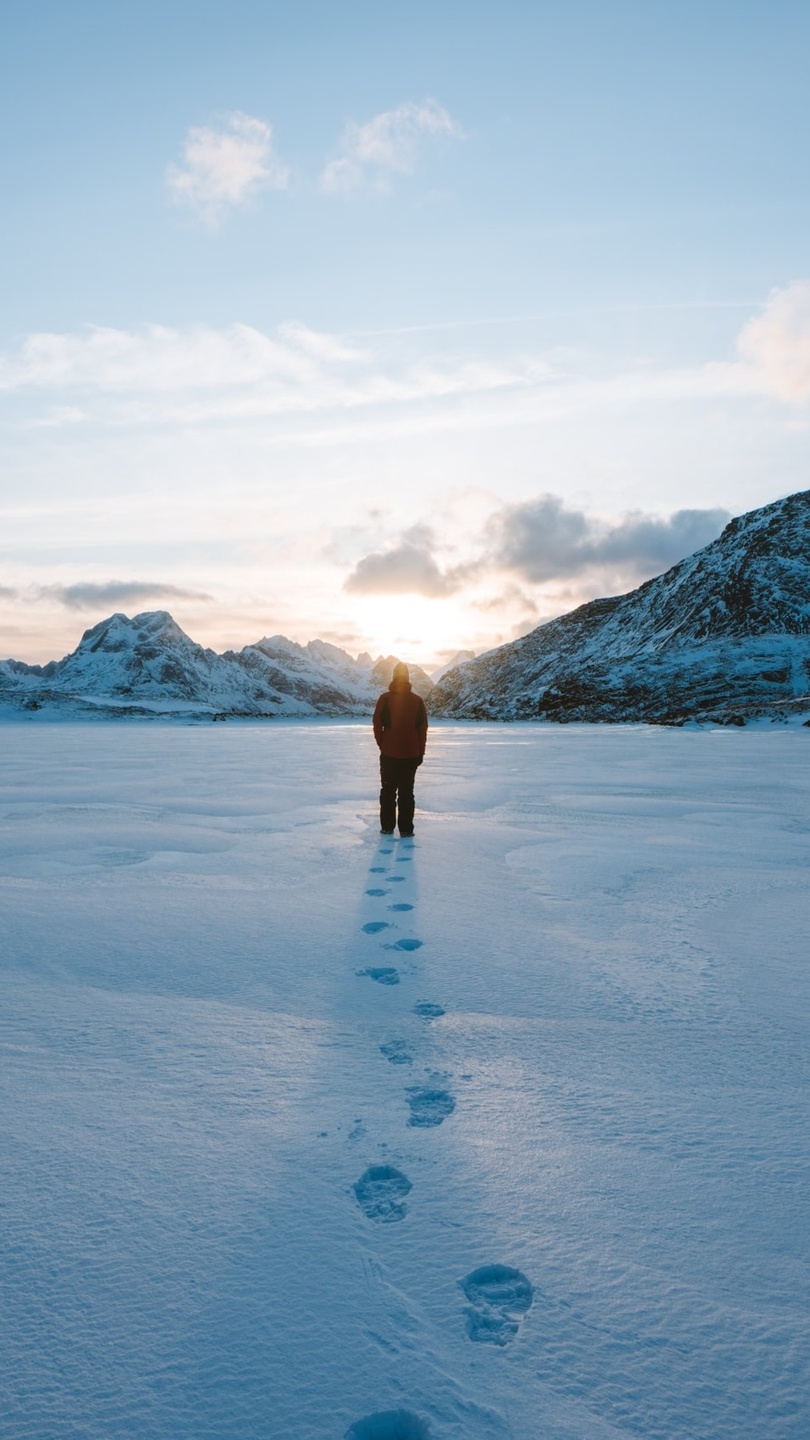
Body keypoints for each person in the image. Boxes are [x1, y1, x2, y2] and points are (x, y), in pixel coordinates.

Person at [372, 661, 428, 837]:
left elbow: (376, 723)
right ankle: (405, 829)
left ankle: (387, 827)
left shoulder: (385, 698)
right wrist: (420, 752)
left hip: (389, 755)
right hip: (411, 755)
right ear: (408, 678)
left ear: (394, 677)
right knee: (406, 793)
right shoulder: (417, 701)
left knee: (388, 792)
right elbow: (422, 729)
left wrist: (383, 743)